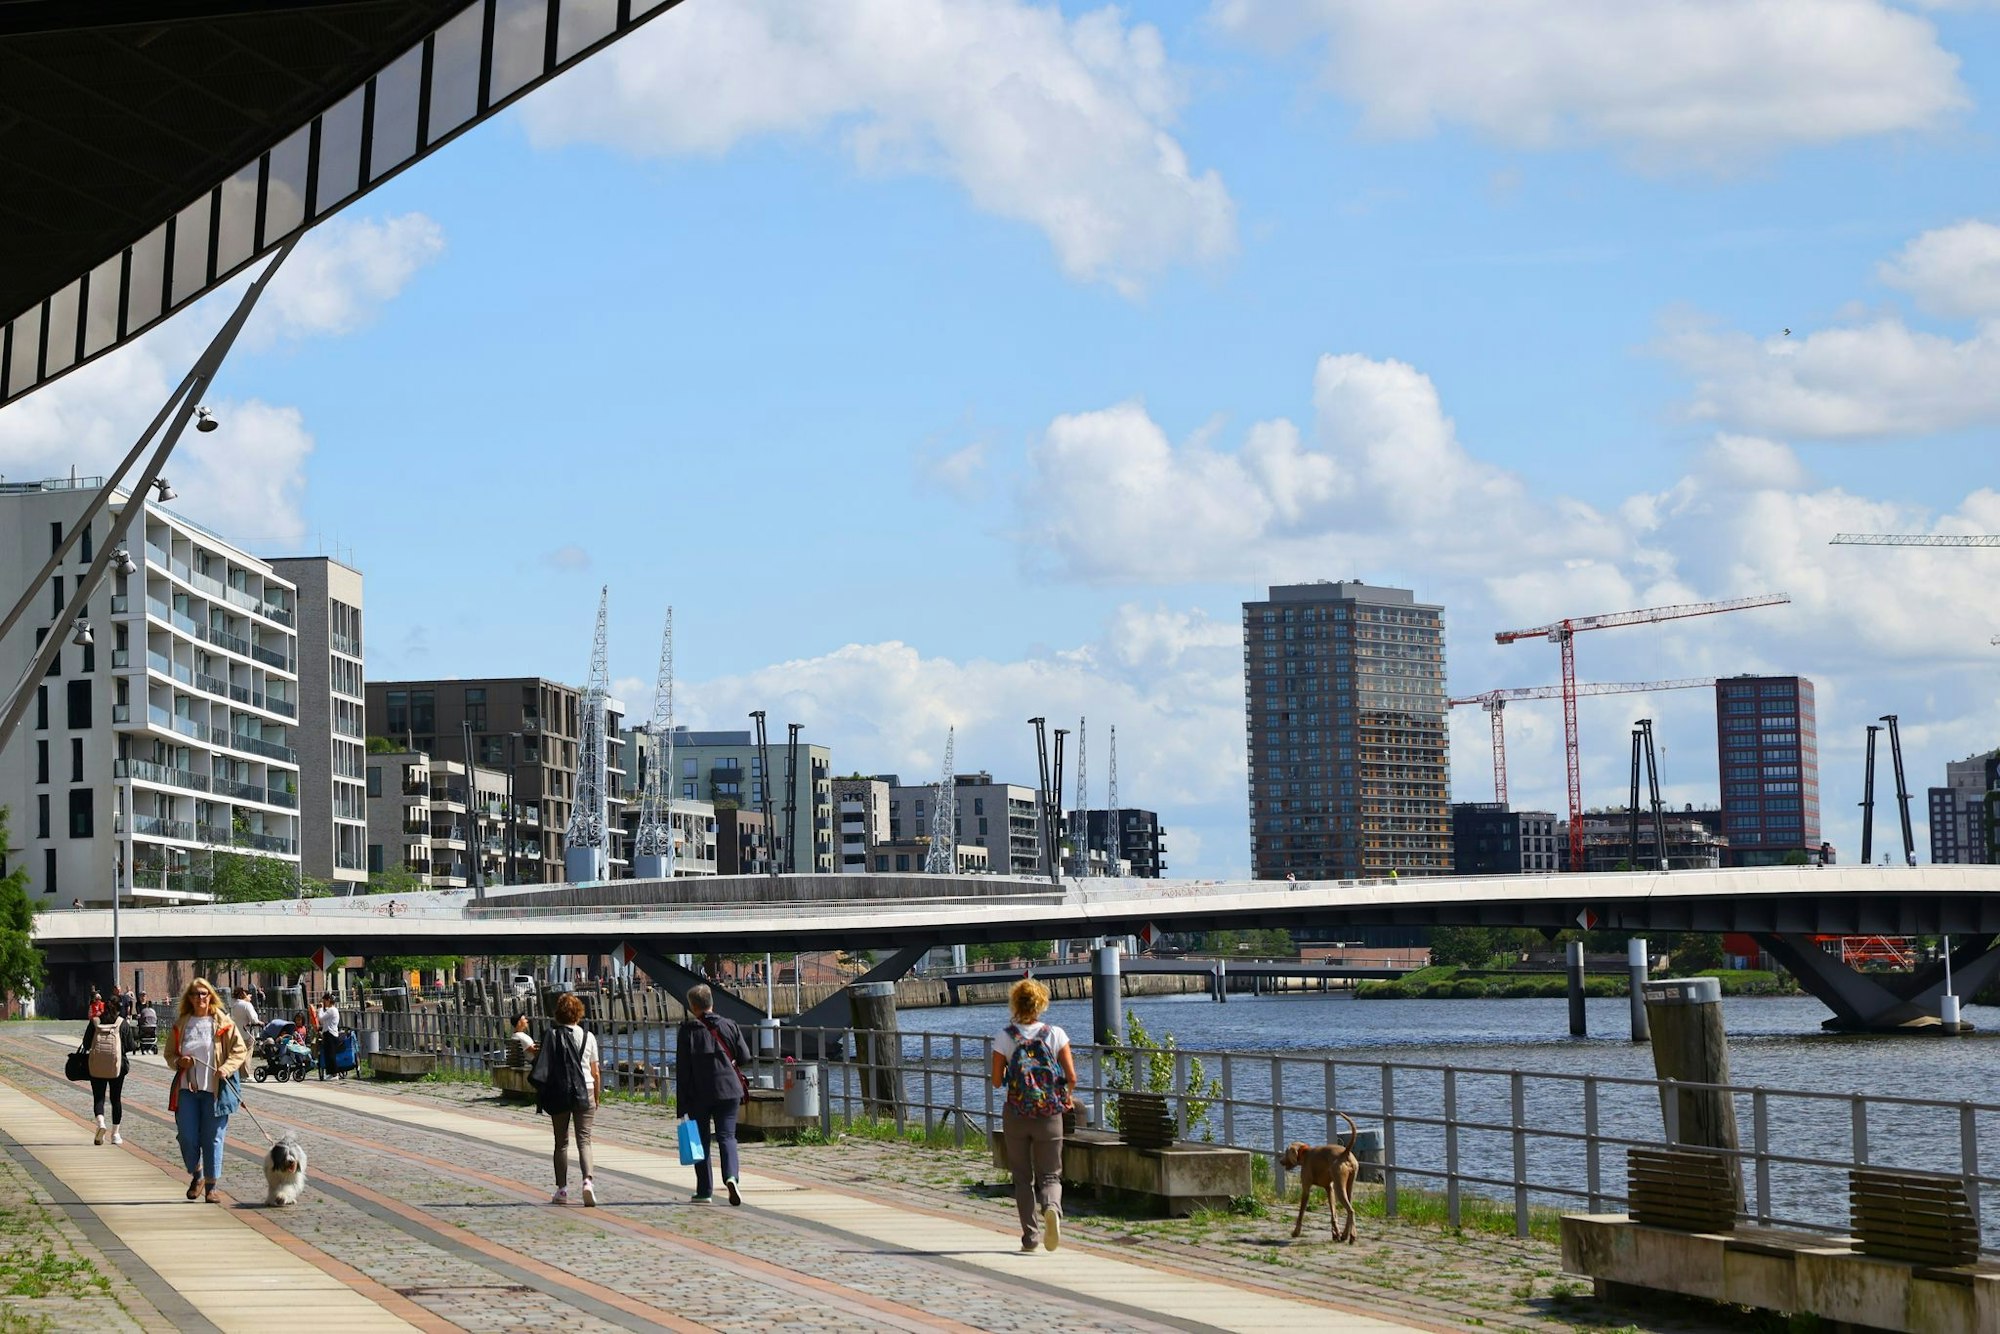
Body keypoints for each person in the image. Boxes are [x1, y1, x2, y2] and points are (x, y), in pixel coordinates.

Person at [991, 977, 1077, 1253]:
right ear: (1041, 1003)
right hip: (1050, 1115)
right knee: (1051, 1175)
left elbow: (995, 1080)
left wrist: (1011, 1076)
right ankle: (1052, 1207)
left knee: (1022, 1178)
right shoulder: (1056, 1034)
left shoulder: (1005, 1036)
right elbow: (1071, 1077)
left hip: (1016, 1114)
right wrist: (1065, 1095)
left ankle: (1030, 1237)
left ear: (1015, 1002)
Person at [162, 978, 248, 1202]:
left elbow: (239, 1050)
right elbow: (169, 1054)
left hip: (215, 1090)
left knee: (213, 1138)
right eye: (195, 994)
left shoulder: (223, 1021)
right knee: (187, 1137)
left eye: (204, 994)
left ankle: (211, 1186)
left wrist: (226, 1069)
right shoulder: (182, 1023)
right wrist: (180, 1063)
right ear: (188, 998)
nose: (200, 998)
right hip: (186, 1089)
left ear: (211, 996)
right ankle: (197, 1174)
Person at [674, 984, 750, 1206]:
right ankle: (731, 1177)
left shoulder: (688, 1031)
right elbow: (744, 1056)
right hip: (729, 1090)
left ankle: (704, 1191)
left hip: (699, 1094)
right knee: (727, 1136)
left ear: (693, 1006)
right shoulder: (730, 1025)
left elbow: (683, 1071)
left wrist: (681, 1106)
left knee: (702, 1141)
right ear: (711, 1003)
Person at [534, 993, 600, 1206]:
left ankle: (562, 1190)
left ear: (558, 1014)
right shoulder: (588, 1037)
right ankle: (587, 1182)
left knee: (561, 1142)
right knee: (585, 1140)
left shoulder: (551, 1035)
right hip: (586, 1090)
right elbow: (595, 1071)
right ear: (579, 1013)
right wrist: (596, 1098)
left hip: (560, 1091)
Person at [80, 1001, 136, 1145]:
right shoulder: (122, 1023)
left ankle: (100, 1123)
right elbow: (130, 1046)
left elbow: (86, 1044)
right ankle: (116, 1134)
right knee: (115, 1099)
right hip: (117, 1066)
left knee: (98, 1097)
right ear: (119, 1009)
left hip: (97, 1065)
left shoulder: (95, 1022)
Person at [316, 992, 343, 1081]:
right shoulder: (332, 1010)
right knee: (328, 1054)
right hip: (329, 1033)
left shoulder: (332, 1010)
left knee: (331, 1055)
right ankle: (331, 1073)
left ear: (328, 1000)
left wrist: (319, 1009)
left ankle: (334, 1074)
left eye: (324, 1001)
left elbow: (321, 1018)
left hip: (330, 1034)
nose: (324, 1003)